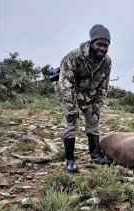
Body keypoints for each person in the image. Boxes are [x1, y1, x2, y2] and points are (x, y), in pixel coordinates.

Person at [56, 24, 111, 172]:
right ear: (92, 43)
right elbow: (66, 85)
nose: (102, 48)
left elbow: (104, 86)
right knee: (71, 124)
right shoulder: (73, 58)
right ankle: (70, 160)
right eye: (99, 44)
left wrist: (98, 106)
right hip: (69, 93)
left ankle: (95, 155)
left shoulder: (107, 62)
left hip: (90, 96)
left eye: (106, 45)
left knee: (93, 122)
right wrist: (72, 109)